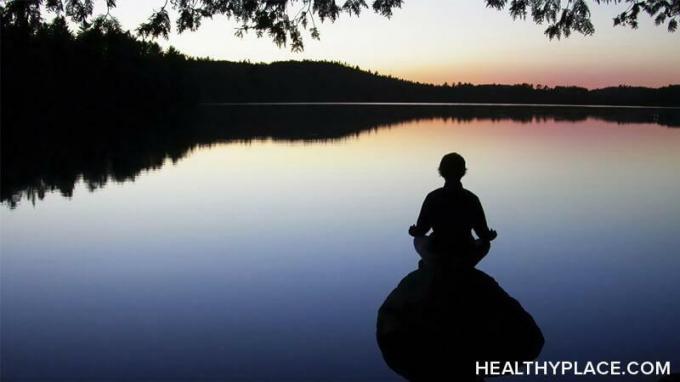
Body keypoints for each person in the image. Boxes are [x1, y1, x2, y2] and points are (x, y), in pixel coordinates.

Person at [409, 152, 497, 267]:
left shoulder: (433, 197)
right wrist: (490, 235)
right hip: (465, 251)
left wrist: (413, 231)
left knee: (418, 239)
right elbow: (482, 234)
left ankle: (432, 263)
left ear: (441, 171)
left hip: (438, 251)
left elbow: (421, 230)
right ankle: (462, 265)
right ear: (463, 172)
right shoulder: (472, 199)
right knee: (485, 244)